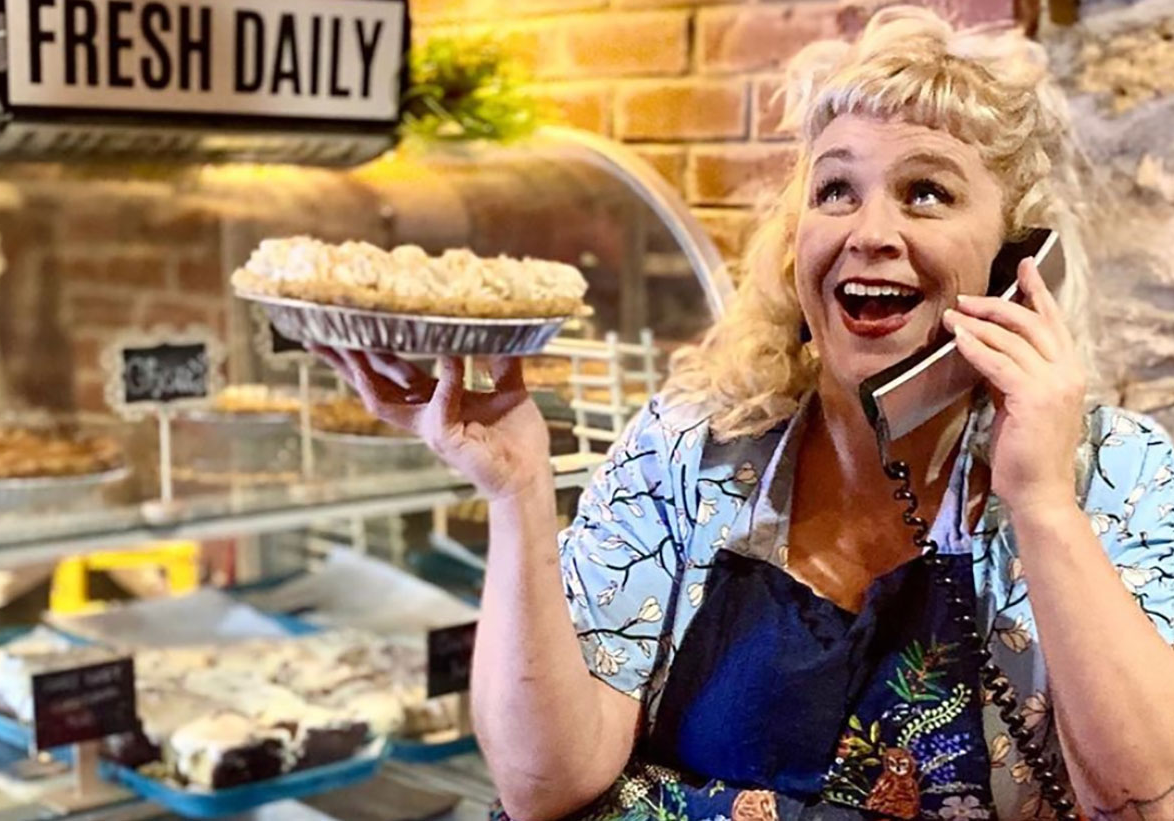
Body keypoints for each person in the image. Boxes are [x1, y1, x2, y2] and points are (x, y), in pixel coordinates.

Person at [312, 7, 1174, 820]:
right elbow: (546, 783)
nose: (869, 230)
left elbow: (1141, 796)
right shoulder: (690, 441)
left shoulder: (1116, 473)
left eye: (926, 194)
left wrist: (1044, 503)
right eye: (836, 190)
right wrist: (517, 490)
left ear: (1020, 264)